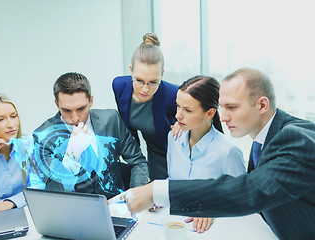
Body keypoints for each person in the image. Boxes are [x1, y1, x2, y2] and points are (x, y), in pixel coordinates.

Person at [113, 68, 315, 239]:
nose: (224, 117)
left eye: (232, 107)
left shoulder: (294, 138)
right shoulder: (264, 141)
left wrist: (155, 192)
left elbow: (251, 190)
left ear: (262, 105)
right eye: (222, 107)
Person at [32, 72, 149, 199]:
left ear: (91, 101)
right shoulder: (43, 138)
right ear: (57, 104)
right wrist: (72, 155)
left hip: (118, 206)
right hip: (76, 212)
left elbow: (138, 162)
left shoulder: (111, 119)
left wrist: (137, 197)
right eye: (66, 110)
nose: (75, 118)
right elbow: (55, 192)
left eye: (81, 109)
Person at [167, 75, 246, 233]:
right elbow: (172, 182)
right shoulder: (174, 138)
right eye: (178, 106)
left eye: (188, 110)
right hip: (173, 223)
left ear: (210, 114)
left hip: (211, 231)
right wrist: (156, 197)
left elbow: (242, 198)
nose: (178, 115)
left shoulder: (228, 152)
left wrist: (212, 208)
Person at [112, 33, 178, 180]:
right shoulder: (119, 86)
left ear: (162, 74)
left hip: (174, 152)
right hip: (151, 150)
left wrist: (182, 123)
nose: (145, 89)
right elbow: (127, 126)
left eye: (153, 82)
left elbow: (200, 108)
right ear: (131, 71)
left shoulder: (173, 94)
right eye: (139, 80)